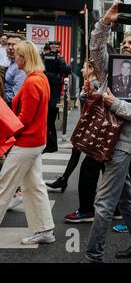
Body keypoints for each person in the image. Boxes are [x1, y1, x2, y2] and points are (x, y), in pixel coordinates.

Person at [81, 2, 131, 263]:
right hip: (103, 137)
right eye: (124, 42)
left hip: (124, 142)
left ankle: (93, 256)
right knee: (124, 196)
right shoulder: (108, 66)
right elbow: (95, 48)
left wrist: (116, 104)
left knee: (103, 202)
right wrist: (105, 22)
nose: (125, 45)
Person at [0, 40, 55, 245]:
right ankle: (44, 230)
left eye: (18, 55)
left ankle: (44, 229)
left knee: (4, 184)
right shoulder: (40, 78)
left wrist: (7, 131)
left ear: (25, 57)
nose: (15, 57)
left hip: (27, 142)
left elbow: (25, 118)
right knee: (33, 186)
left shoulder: (32, 81)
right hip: (35, 140)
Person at [46, 60, 103, 193]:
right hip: (85, 123)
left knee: (94, 159)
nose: (82, 70)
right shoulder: (89, 83)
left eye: (84, 68)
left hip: (90, 125)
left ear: (91, 70)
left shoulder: (94, 84)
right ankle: (64, 179)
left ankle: (70, 181)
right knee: (77, 152)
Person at [42, 40, 71, 153]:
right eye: (53, 47)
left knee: (49, 121)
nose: (54, 49)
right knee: (48, 122)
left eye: (56, 47)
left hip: (52, 95)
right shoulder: (50, 58)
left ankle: (51, 145)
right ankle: (50, 144)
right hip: (49, 92)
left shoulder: (58, 59)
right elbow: (66, 70)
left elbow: (67, 70)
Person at [4, 34, 25, 107]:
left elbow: (16, 96)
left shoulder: (21, 66)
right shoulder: (12, 62)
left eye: (14, 45)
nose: (10, 48)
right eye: (8, 44)